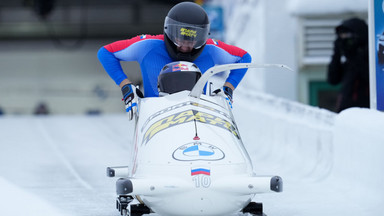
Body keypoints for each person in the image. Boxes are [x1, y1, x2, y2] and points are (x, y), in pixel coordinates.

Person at [98, 2, 252, 120]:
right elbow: (105, 52)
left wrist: (228, 89)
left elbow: (244, 57)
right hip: (155, 119)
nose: (186, 45)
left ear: (203, 37)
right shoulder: (147, 46)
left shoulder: (211, 49)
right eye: (181, 37)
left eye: (192, 40)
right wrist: (126, 86)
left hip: (198, 120)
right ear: (169, 31)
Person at [327, 17, 370, 112]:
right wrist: (337, 53)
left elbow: (368, 76)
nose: (345, 39)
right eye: (342, 35)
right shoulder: (348, 61)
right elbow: (333, 80)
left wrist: (353, 56)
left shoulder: (370, 55)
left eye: (348, 35)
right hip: (345, 110)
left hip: (365, 111)